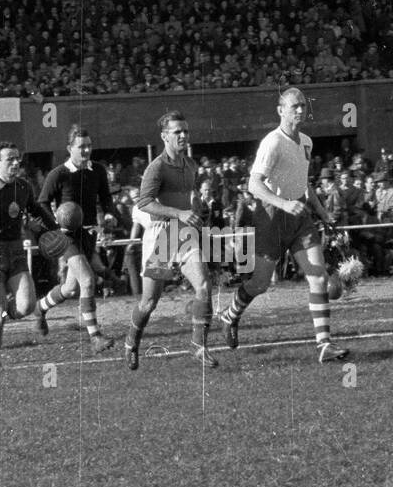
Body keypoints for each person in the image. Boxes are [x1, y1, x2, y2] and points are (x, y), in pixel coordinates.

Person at [219, 89, 351, 364]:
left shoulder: (306, 141)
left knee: (317, 276)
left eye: (303, 106)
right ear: (281, 110)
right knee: (260, 284)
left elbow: (304, 183)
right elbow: (253, 185)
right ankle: (230, 315)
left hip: (299, 216)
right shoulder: (272, 143)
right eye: (294, 106)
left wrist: (323, 211)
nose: (300, 111)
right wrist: (283, 203)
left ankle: (324, 344)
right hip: (271, 217)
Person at [124, 113, 217, 370]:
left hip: (185, 233)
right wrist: (179, 212)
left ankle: (198, 346)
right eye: (177, 132)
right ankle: (131, 343)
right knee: (149, 302)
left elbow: (186, 197)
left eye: (185, 131)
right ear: (164, 136)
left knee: (204, 286)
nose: (183, 136)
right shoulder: (156, 167)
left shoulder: (190, 165)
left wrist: (195, 207)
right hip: (161, 236)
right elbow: (144, 203)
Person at [0, 141, 56, 369]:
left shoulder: (23, 187)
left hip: (15, 250)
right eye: (10, 160)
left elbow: (35, 209)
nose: (16, 163)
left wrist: (55, 228)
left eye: (17, 159)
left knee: (26, 306)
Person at [36, 126, 116, 353]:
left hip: (88, 233)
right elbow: (42, 202)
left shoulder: (97, 170)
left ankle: (40, 308)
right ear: (70, 148)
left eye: (89, 145)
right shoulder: (58, 174)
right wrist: (54, 224)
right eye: (81, 146)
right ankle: (95, 336)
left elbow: (106, 198)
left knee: (71, 288)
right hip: (66, 236)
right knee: (88, 280)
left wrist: (109, 213)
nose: (87, 150)